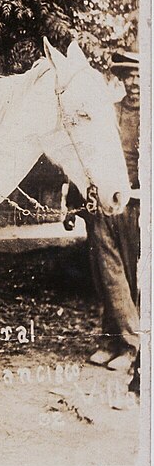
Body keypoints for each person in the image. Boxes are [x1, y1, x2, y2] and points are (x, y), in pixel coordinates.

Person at [85, 48, 141, 375]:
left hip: (136, 204)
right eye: (127, 77)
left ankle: (130, 347)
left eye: (138, 77)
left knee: (128, 276)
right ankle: (110, 341)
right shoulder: (108, 112)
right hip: (104, 202)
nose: (133, 84)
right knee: (105, 273)